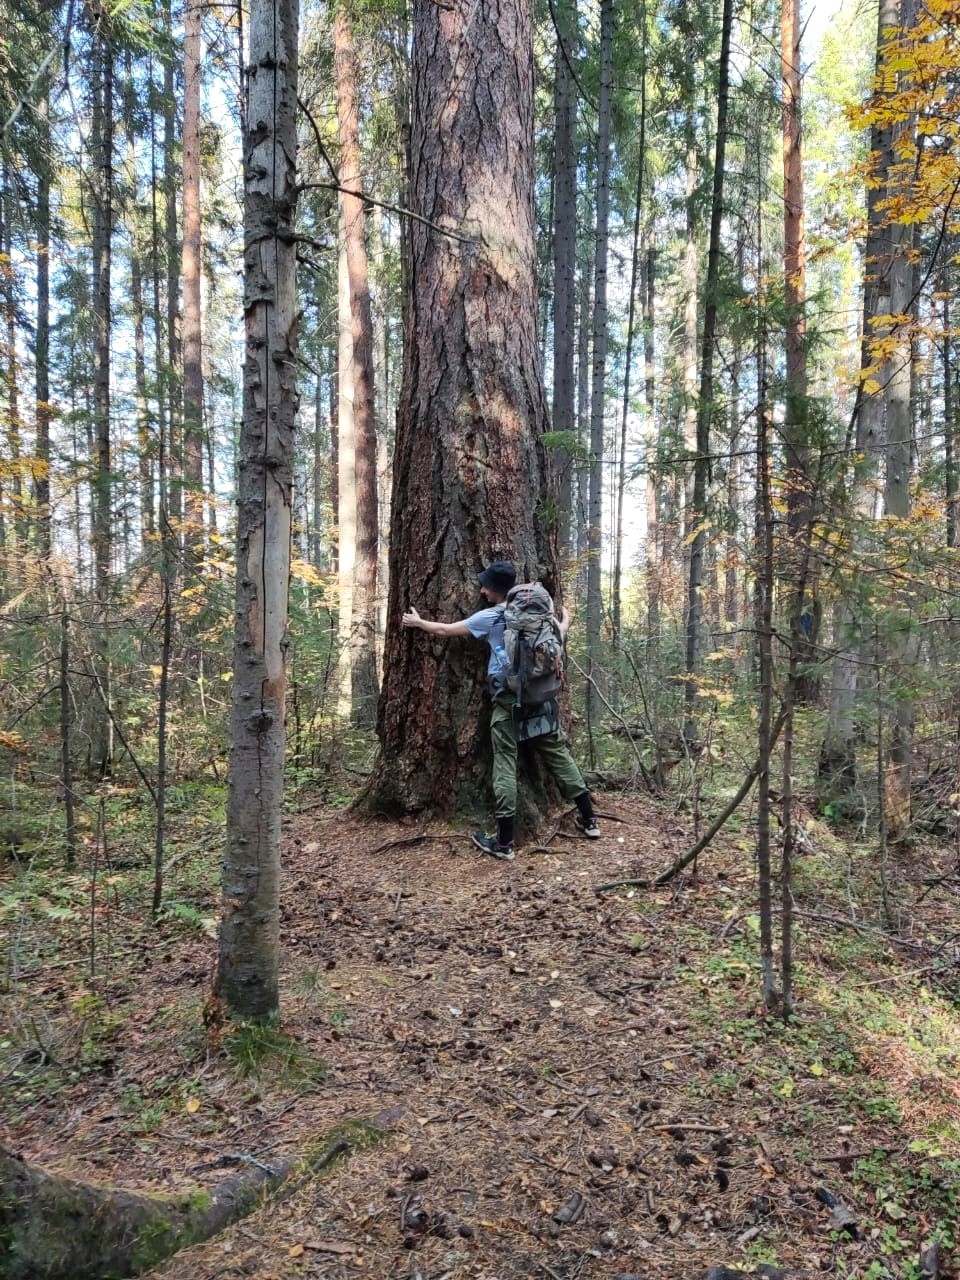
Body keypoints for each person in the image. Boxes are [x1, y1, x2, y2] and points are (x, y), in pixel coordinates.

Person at [402, 559, 600, 860]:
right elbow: (559, 634)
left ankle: (505, 842)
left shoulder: (493, 617)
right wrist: (566, 623)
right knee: (559, 755)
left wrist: (418, 623)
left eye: (486, 586)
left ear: (496, 590)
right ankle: (590, 820)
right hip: (542, 698)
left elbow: (445, 630)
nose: (482, 590)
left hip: (508, 700)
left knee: (505, 763)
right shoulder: (541, 616)